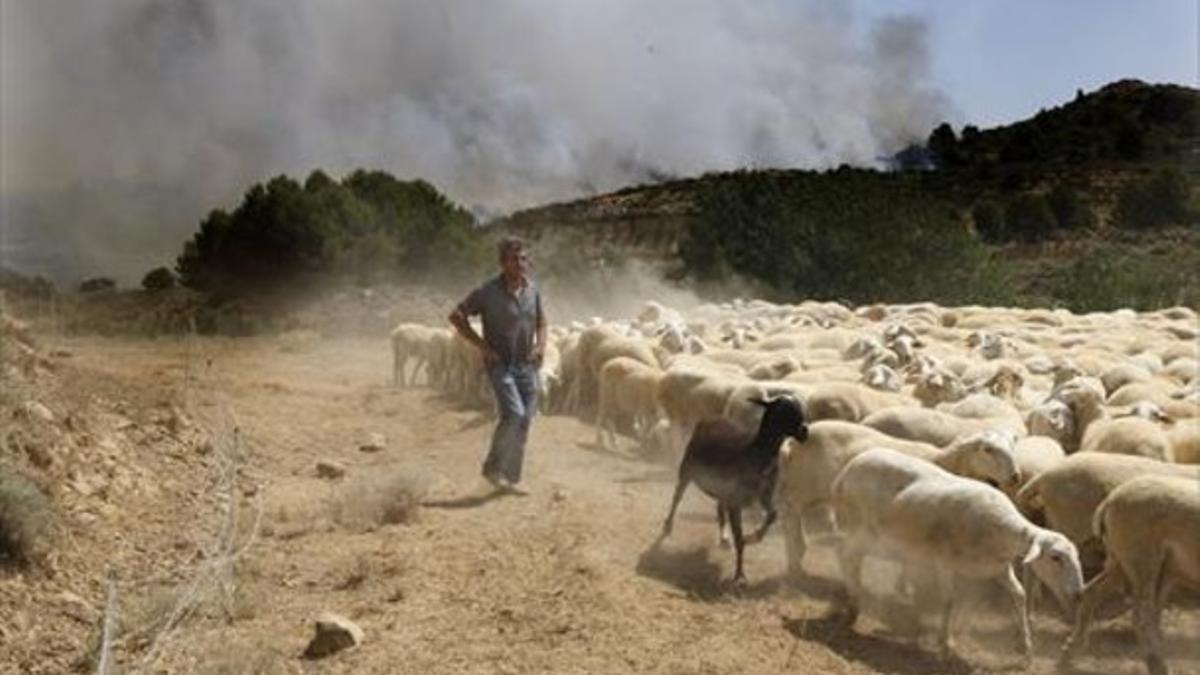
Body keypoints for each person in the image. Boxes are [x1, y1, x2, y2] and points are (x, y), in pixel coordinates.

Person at [448, 236, 546, 493]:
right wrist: (482, 346)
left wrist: (541, 346)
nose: (520, 263)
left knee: (525, 419)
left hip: (527, 365)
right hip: (500, 364)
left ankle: (511, 478)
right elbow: (457, 316)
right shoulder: (487, 292)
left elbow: (542, 322)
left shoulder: (533, 291)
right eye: (514, 259)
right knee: (513, 414)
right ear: (502, 263)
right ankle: (492, 467)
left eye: (524, 258)